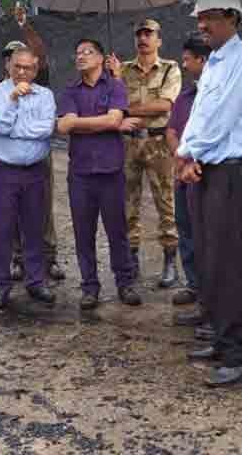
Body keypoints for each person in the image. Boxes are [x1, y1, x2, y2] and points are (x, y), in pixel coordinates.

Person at [176, 0, 242, 386]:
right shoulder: (214, 64)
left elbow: (223, 118)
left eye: (207, 17)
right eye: (198, 18)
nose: (201, 25)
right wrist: (187, 153)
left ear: (231, 16)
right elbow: (199, 115)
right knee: (210, 260)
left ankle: (239, 354)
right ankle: (221, 339)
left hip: (231, 172)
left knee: (228, 265)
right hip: (209, 168)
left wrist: (191, 151)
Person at [56, 38, 142, 310]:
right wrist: (106, 123)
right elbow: (64, 126)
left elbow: (114, 119)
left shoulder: (115, 86)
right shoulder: (70, 91)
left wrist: (81, 123)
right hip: (80, 173)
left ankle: (125, 283)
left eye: (88, 52)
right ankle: (89, 286)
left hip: (110, 171)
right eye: (78, 52)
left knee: (117, 230)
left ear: (101, 58)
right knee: (84, 233)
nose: (81, 56)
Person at [106, 20, 183, 288]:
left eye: (148, 34)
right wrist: (115, 80)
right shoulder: (121, 70)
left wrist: (127, 109)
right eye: (139, 34)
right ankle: (131, 259)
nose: (143, 39)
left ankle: (170, 260)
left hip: (159, 143)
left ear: (159, 40)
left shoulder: (170, 69)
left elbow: (163, 105)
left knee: (166, 203)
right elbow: (110, 103)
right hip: (127, 143)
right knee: (127, 204)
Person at [0, 41, 56, 309]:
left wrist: (10, 130)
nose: (22, 73)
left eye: (28, 68)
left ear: (36, 70)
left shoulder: (45, 95)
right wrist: (13, 99)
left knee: (34, 228)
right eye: (18, 67)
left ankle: (36, 281)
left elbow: (46, 129)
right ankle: (1, 285)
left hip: (35, 170)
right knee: (1, 229)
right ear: (8, 66)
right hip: (4, 171)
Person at [165, 34, 210, 313]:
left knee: (207, 234)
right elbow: (171, 131)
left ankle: (210, 289)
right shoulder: (185, 97)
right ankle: (194, 283)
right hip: (183, 175)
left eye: (187, 59)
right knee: (185, 230)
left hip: (205, 176)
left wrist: (191, 160)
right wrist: (180, 158)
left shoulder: (215, 95)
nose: (183, 65)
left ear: (202, 60)